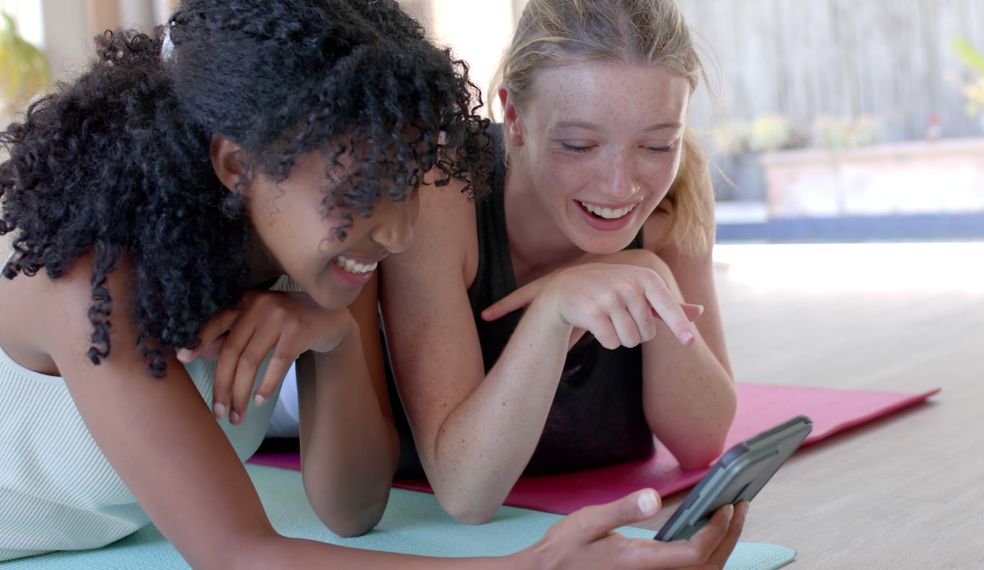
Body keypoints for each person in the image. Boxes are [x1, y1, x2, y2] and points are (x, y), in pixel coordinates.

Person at [0, 0, 744, 568]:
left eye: (405, 183)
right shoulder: (95, 282)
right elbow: (237, 553)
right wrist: (533, 564)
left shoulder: (322, 259)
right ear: (236, 165)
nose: (394, 232)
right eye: (361, 187)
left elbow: (350, 510)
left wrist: (337, 344)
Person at [379, 0, 739, 525]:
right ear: (516, 118)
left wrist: (652, 273)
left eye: (658, 144)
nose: (622, 186)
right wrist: (554, 310)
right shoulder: (443, 186)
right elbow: (465, 491)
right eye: (579, 144)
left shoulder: (673, 197)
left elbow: (702, 442)